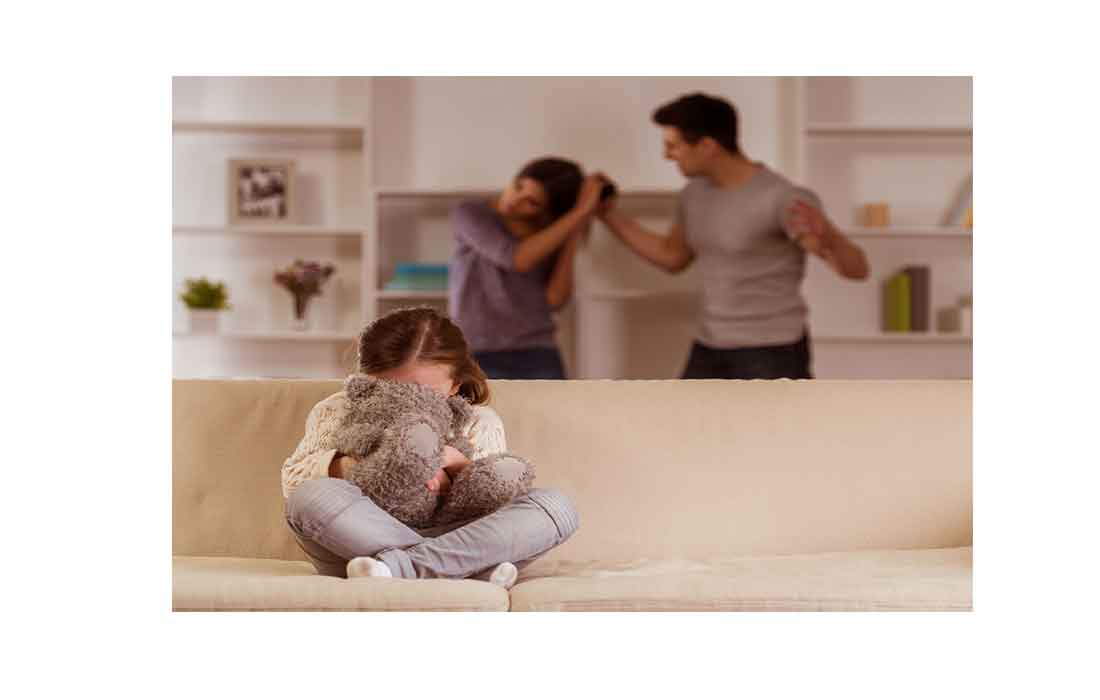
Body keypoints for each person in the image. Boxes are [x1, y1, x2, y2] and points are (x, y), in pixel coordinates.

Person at [281, 306, 579, 587]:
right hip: (356, 542)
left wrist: (458, 466)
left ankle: (399, 568)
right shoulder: (337, 409)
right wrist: (378, 463)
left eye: (425, 391)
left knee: (555, 507)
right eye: (390, 388)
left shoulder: (479, 421)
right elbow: (293, 480)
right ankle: (463, 572)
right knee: (308, 497)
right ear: (364, 378)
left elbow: (494, 501)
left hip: (448, 541)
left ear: (455, 385)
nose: (408, 400)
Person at [598, 93, 871, 380]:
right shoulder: (694, 194)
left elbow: (856, 270)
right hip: (709, 344)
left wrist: (830, 235)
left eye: (673, 146)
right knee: (685, 411)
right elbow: (672, 256)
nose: (667, 155)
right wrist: (608, 216)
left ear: (707, 146)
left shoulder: (783, 198)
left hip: (771, 350)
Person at [449, 157, 607, 379]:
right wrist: (580, 212)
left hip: (538, 351)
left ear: (546, 211)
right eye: (519, 186)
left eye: (531, 202)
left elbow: (555, 299)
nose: (515, 200)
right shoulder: (470, 213)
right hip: (476, 351)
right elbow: (514, 258)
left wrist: (573, 229)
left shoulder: (549, 232)